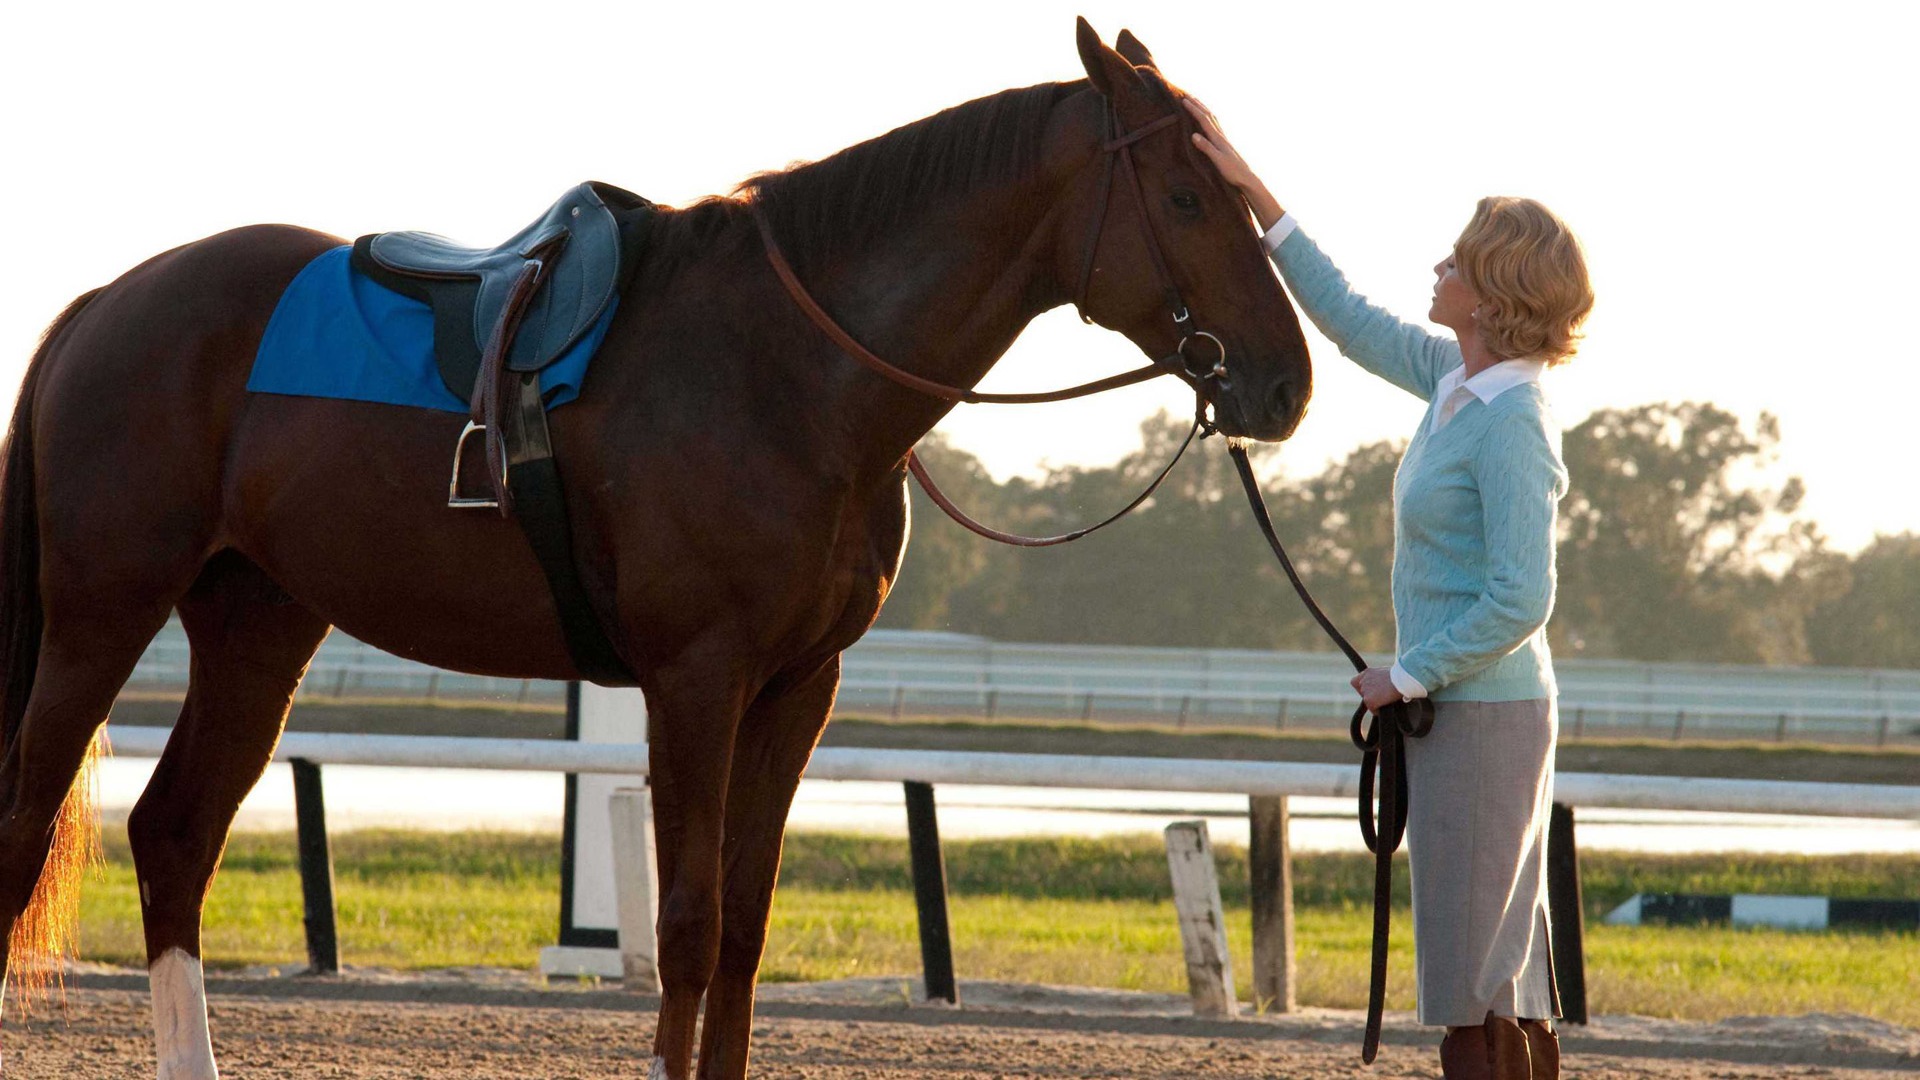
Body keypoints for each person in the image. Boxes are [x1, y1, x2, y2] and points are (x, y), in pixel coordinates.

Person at [1187, 97, 1594, 1080]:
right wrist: (1254, 197)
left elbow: (1520, 597)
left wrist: (1408, 674)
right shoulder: (1457, 382)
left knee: (1470, 989)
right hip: (1474, 712)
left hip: (1482, 714)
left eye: (1455, 263)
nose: (1439, 271)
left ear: (1493, 290)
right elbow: (1346, 318)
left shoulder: (1511, 421)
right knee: (1504, 984)